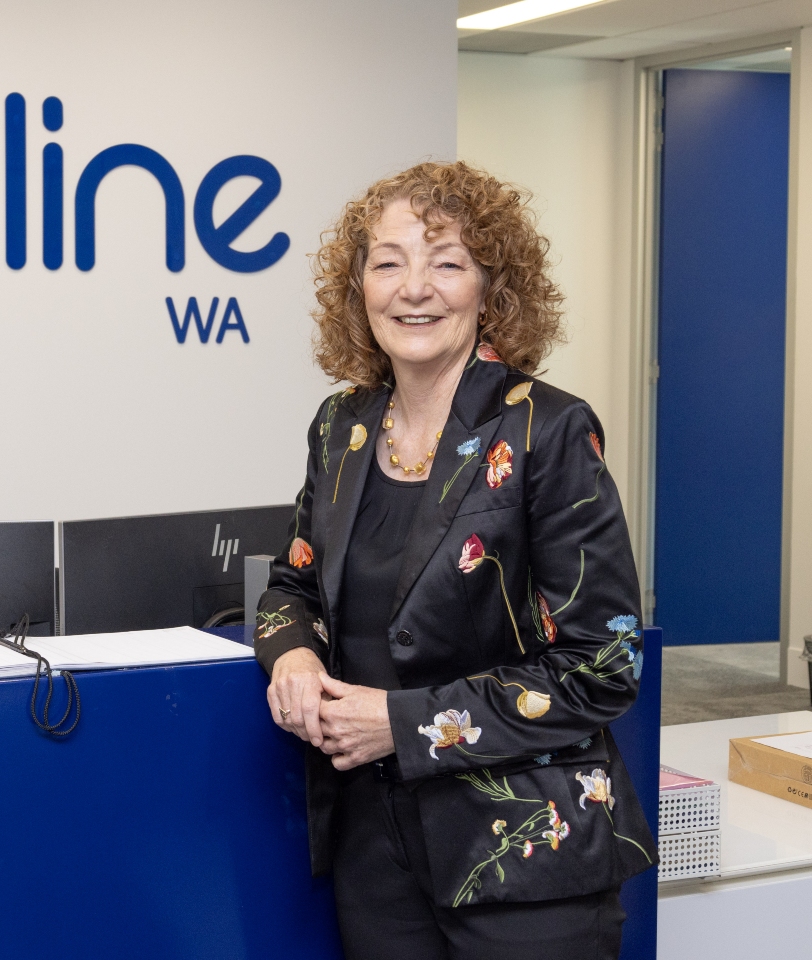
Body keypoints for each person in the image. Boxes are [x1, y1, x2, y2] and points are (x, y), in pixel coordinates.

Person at [255, 161, 656, 960]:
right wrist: (292, 653)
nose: (415, 289)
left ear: (490, 288)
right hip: (375, 852)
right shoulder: (342, 427)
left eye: (447, 263)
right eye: (388, 262)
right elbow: (292, 584)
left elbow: (603, 666)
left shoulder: (548, 430)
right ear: (359, 288)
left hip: (525, 854)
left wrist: (401, 725)